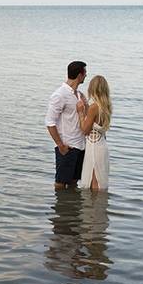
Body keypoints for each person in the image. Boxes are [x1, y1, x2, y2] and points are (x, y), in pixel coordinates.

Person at [45, 61, 88, 190]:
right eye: (85, 73)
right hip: (67, 146)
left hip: (81, 146)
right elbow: (49, 122)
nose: (86, 76)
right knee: (60, 183)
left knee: (74, 181)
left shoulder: (79, 95)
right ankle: (60, 209)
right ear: (80, 75)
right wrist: (60, 145)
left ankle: (71, 208)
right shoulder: (60, 94)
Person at [77, 75, 112, 191]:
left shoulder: (93, 107)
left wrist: (81, 113)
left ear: (93, 89)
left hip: (93, 148)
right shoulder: (106, 107)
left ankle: (94, 208)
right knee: (99, 179)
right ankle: (99, 207)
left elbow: (85, 130)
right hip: (102, 145)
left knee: (94, 180)